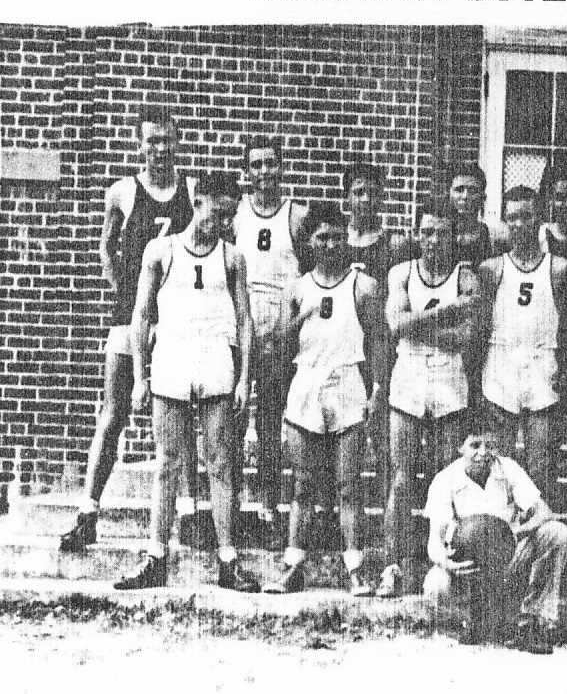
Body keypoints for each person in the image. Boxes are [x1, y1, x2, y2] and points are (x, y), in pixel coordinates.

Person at [113, 172, 259, 592]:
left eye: (231, 215)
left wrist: (245, 377)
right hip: (173, 360)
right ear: (199, 203)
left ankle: (228, 560)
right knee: (168, 465)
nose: (224, 222)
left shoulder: (232, 258)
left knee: (220, 463)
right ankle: (156, 557)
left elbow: (245, 320)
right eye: (218, 212)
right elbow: (140, 316)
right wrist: (140, 376)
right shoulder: (160, 250)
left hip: (215, 361)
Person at [59, 105, 196, 552]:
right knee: (113, 413)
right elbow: (105, 247)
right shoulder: (122, 191)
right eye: (152, 140)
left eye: (167, 140)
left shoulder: (191, 191)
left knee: (183, 415)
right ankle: (88, 512)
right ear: (140, 144)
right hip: (129, 318)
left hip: (177, 320)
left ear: (177, 142)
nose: (160, 148)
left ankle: (191, 515)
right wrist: (126, 293)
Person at [263, 203, 388, 596]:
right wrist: (301, 317)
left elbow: (379, 340)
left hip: (348, 384)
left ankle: (355, 569)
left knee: (349, 486)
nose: (331, 245)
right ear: (309, 242)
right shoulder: (297, 289)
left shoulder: (363, 286)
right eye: (322, 237)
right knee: (303, 485)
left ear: (346, 238)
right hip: (307, 385)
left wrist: (378, 389)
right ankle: (293, 565)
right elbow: (280, 344)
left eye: (337, 236)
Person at [380, 196, 483, 598]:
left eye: (440, 233)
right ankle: (394, 565)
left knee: (447, 482)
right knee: (401, 481)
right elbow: (395, 323)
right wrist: (450, 310)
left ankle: (444, 566)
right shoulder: (401, 273)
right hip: (408, 379)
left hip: (449, 381)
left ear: (453, 236)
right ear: (416, 234)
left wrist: (417, 325)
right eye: (426, 232)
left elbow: (467, 337)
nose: (432, 241)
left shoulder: (466, 275)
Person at [422, 427, 567, 654]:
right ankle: (472, 620)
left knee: (558, 533)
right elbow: (435, 542)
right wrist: (448, 564)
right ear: (460, 447)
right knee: (436, 585)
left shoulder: (508, 468)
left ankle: (531, 620)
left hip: (507, 558)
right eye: (475, 445)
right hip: (468, 566)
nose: (483, 452)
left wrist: (517, 532)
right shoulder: (445, 479)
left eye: (489, 446)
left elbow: (543, 511)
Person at [477, 186, 567, 505]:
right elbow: (479, 332)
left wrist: (565, 379)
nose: (519, 224)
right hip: (500, 370)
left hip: (541, 371)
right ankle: (499, 545)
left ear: (540, 219)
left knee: (540, 471)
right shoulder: (491, 269)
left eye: (526, 216)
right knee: (499, 470)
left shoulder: (561, 269)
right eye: (512, 218)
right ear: (505, 222)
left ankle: (540, 544)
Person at [232, 136, 307, 546]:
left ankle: (268, 506)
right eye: (256, 165)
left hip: (280, 336)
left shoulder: (296, 216)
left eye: (271, 164)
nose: (264, 172)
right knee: (234, 420)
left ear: (281, 168)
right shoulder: (238, 215)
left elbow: (310, 281)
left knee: (271, 423)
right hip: (243, 333)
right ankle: (231, 507)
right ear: (247, 172)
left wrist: (289, 330)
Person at [445, 162, 496, 266]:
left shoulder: (493, 238)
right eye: (459, 190)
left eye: (472, 190)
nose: (465, 196)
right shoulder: (436, 235)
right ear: (449, 195)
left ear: (483, 197)